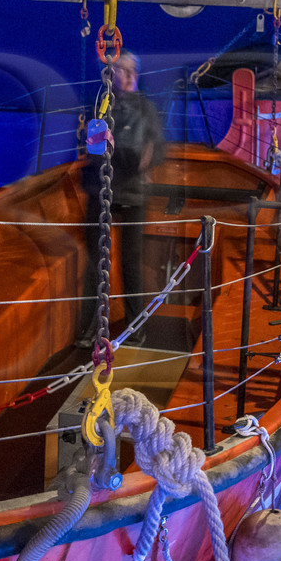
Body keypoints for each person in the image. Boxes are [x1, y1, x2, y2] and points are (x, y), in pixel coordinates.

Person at [78, 50, 164, 344]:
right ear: (111, 75)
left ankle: (136, 328)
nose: (127, 76)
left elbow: (154, 152)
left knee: (130, 263)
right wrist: (112, 150)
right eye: (122, 71)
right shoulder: (100, 106)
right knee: (95, 264)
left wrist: (124, 156)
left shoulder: (147, 109)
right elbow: (93, 149)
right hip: (101, 192)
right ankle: (90, 329)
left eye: (132, 71)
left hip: (133, 193)